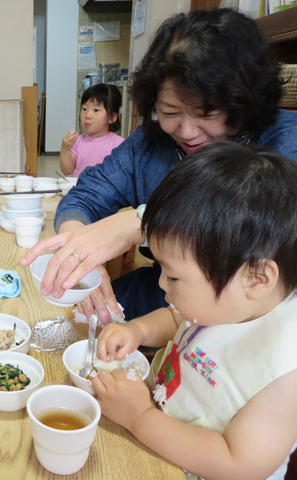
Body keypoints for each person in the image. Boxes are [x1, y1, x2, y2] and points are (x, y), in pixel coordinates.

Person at [21, 8, 297, 324]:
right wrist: (81, 251)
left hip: (257, 321)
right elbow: (84, 197)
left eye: (208, 113)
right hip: (165, 294)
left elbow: (262, 224)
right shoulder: (149, 145)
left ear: (243, 100)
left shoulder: (284, 139)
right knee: (52, 314)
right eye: (170, 111)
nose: (188, 131)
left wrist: (141, 222)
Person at [91, 142, 297, 480]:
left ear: (256, 277)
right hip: (156, 436)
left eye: (173, 276)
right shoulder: (231, 301)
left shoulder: (286, 368)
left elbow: (237, 463)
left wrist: (141, 416)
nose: (161, 285)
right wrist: (138, 331)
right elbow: (179, 320)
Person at [60, 83, 124, 178]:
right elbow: (67, 170)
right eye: (84, 109)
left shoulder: (120, 145)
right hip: (80, 191)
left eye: (96, 110)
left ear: (112, 117)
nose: (87, 115)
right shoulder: (78, 141)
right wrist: (65, 148)